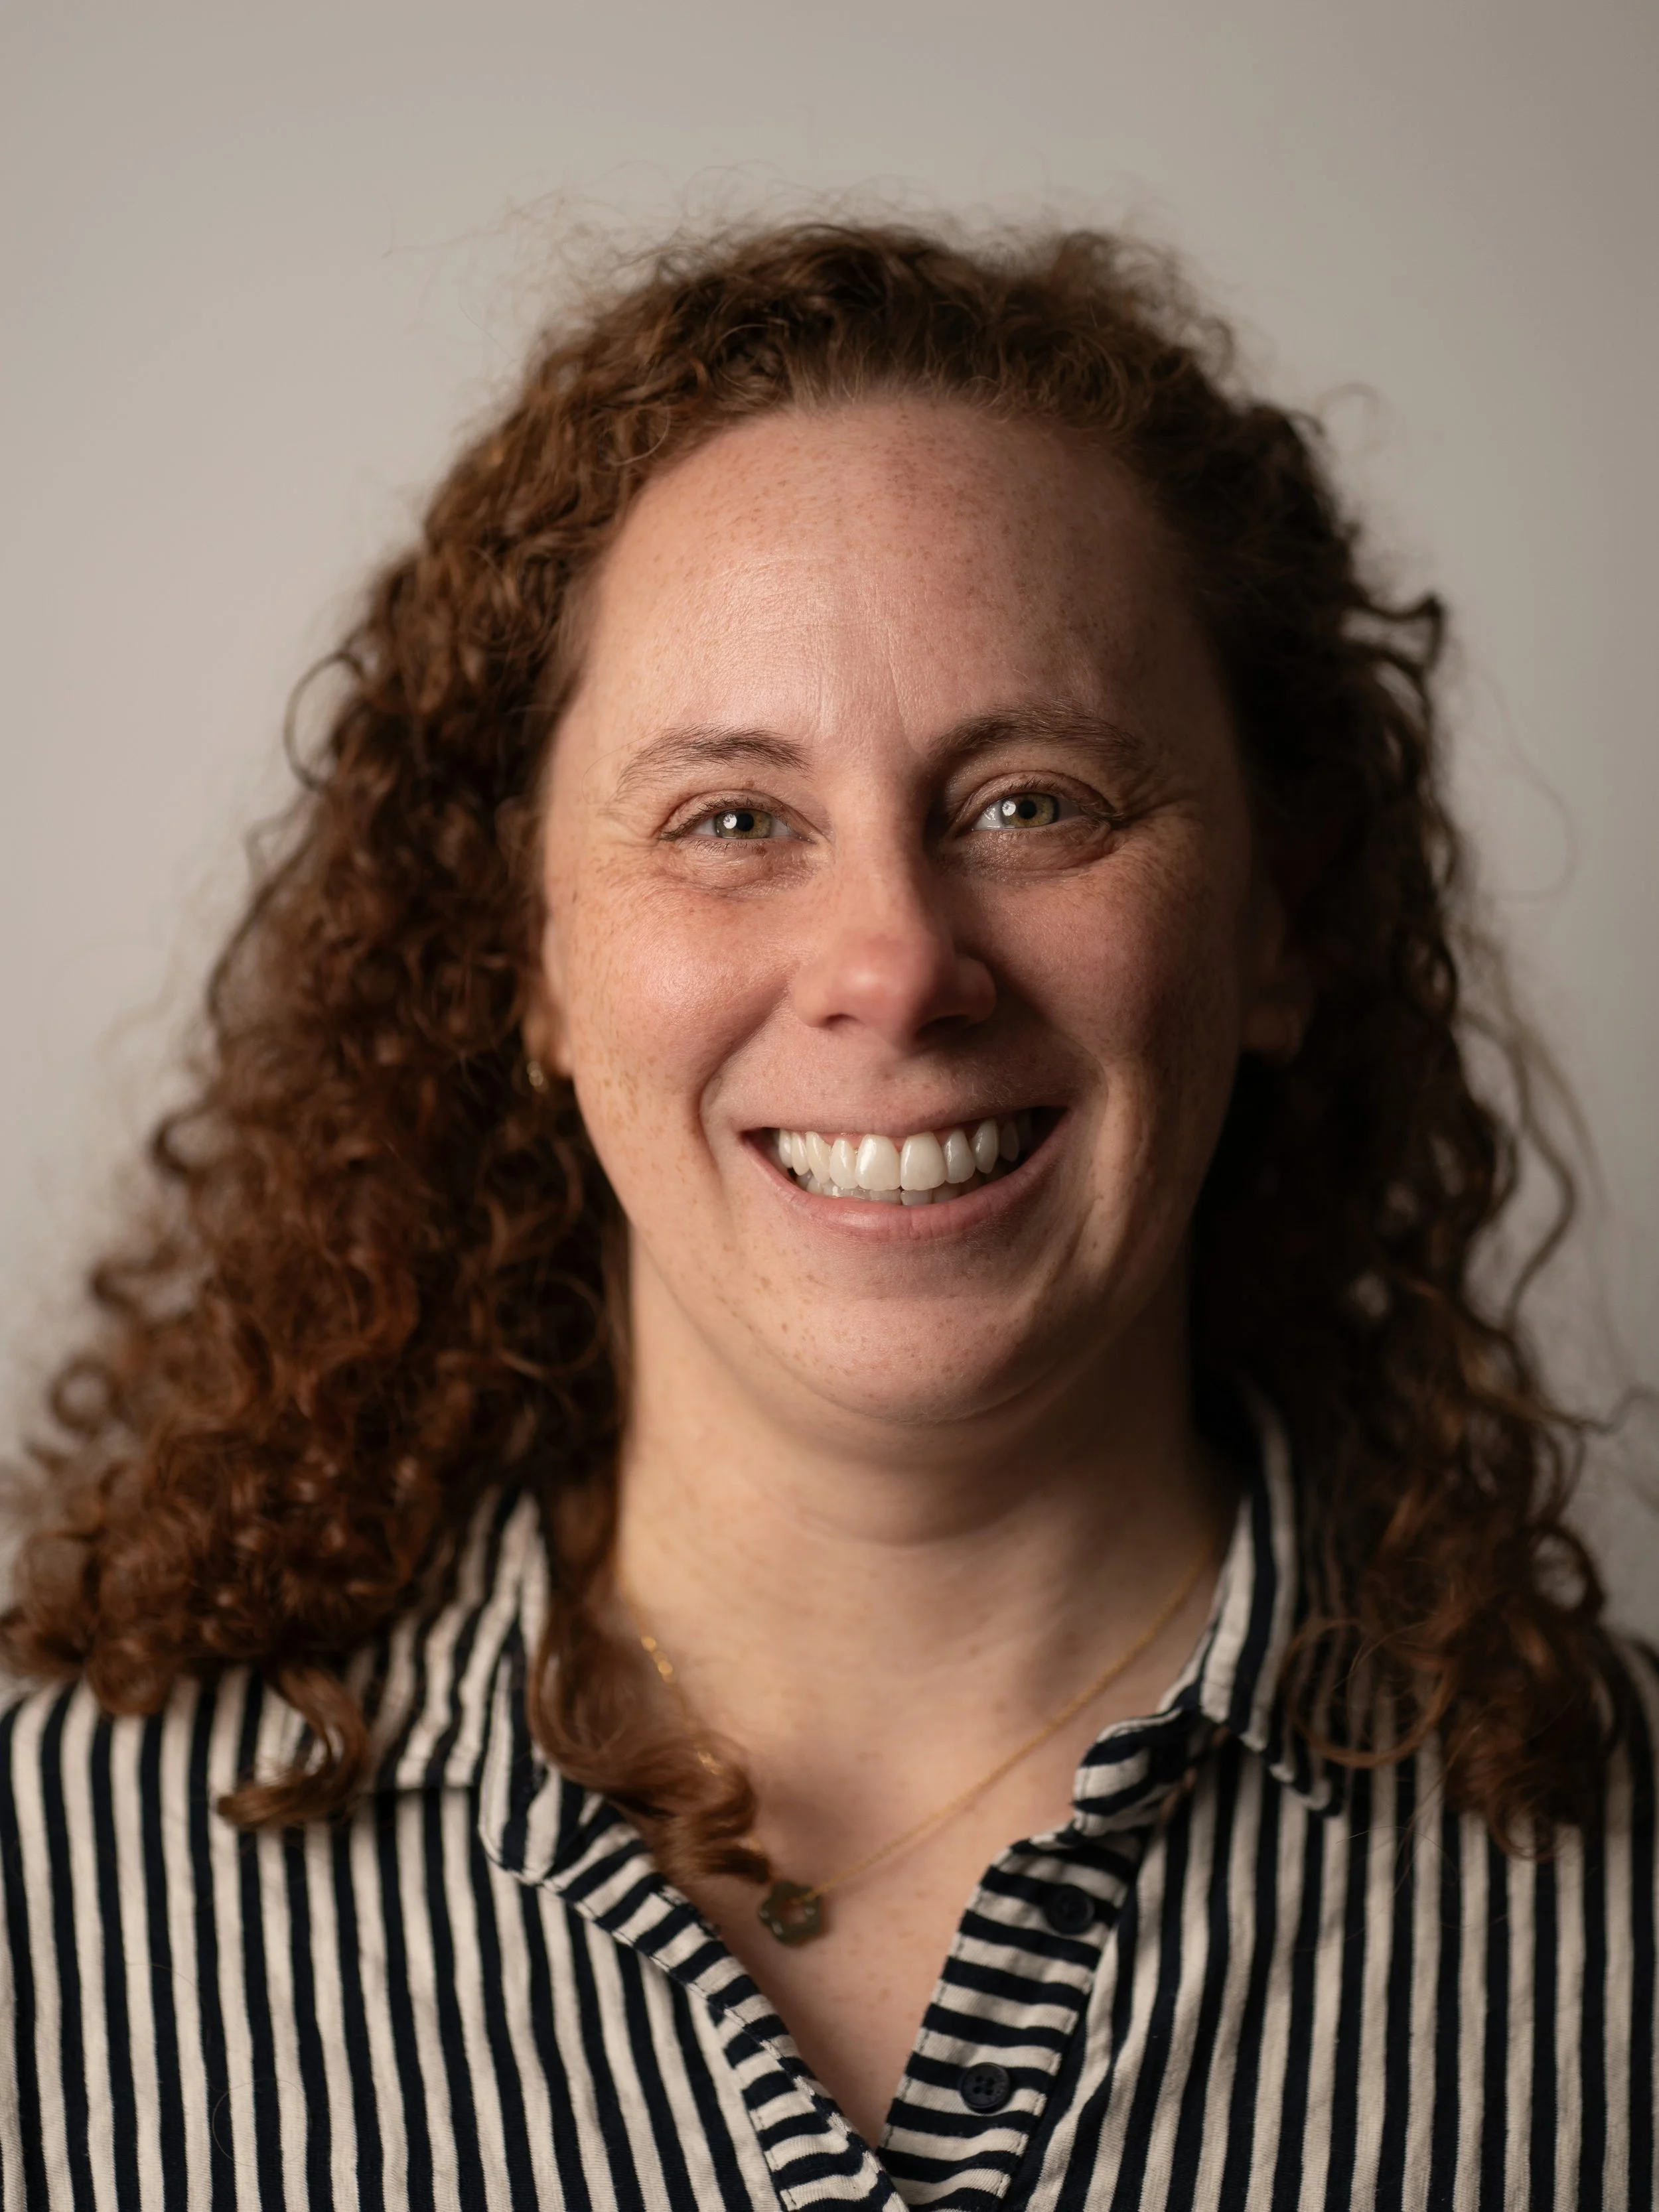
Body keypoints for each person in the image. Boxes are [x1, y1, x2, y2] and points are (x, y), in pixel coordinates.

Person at [0, 218, 1652, 2211]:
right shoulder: (43, 1893)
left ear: (1276, 920)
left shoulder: (1616, 1907)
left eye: (1032, 801)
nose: (895, 965)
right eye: (731, 819)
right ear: (529, 958)